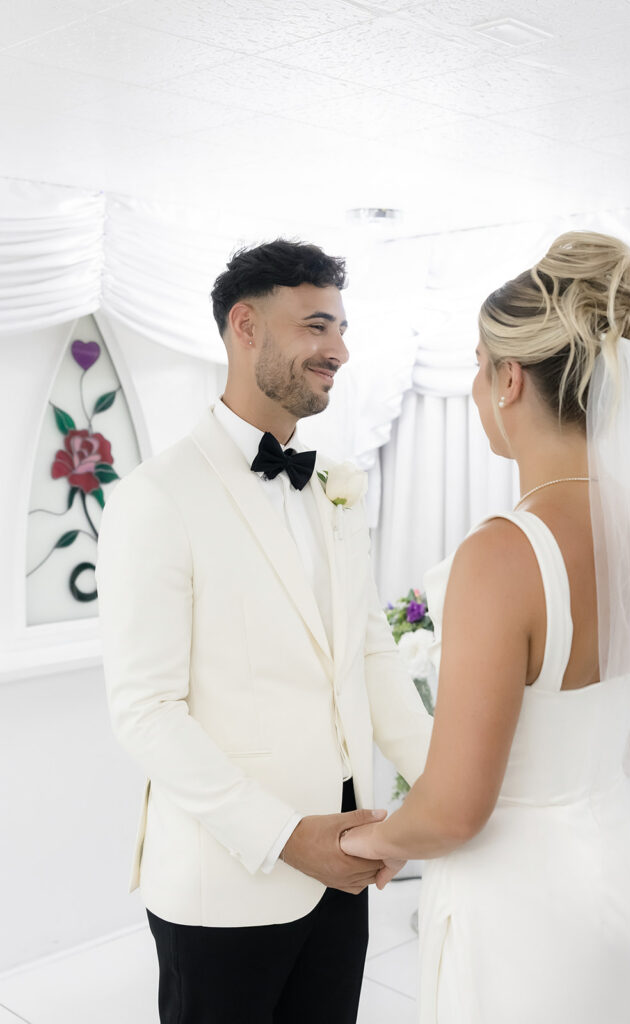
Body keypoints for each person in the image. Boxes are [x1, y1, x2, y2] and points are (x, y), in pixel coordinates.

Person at [341, 231, 630, 1022]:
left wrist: (363, 845)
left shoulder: (501, 554)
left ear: (507, 379)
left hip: (531, 916)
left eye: (474, 363)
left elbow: (458, 809)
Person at [96, 239, 432, 1024]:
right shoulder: (157, 496)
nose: (339, 351)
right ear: (245, 327)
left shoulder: (333, 487)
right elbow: (146, 712)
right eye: (317, 326)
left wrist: (438, 795)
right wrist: (285, 837)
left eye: (342, 329)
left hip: (346, 869)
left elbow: (369, 655)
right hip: (227, 882)